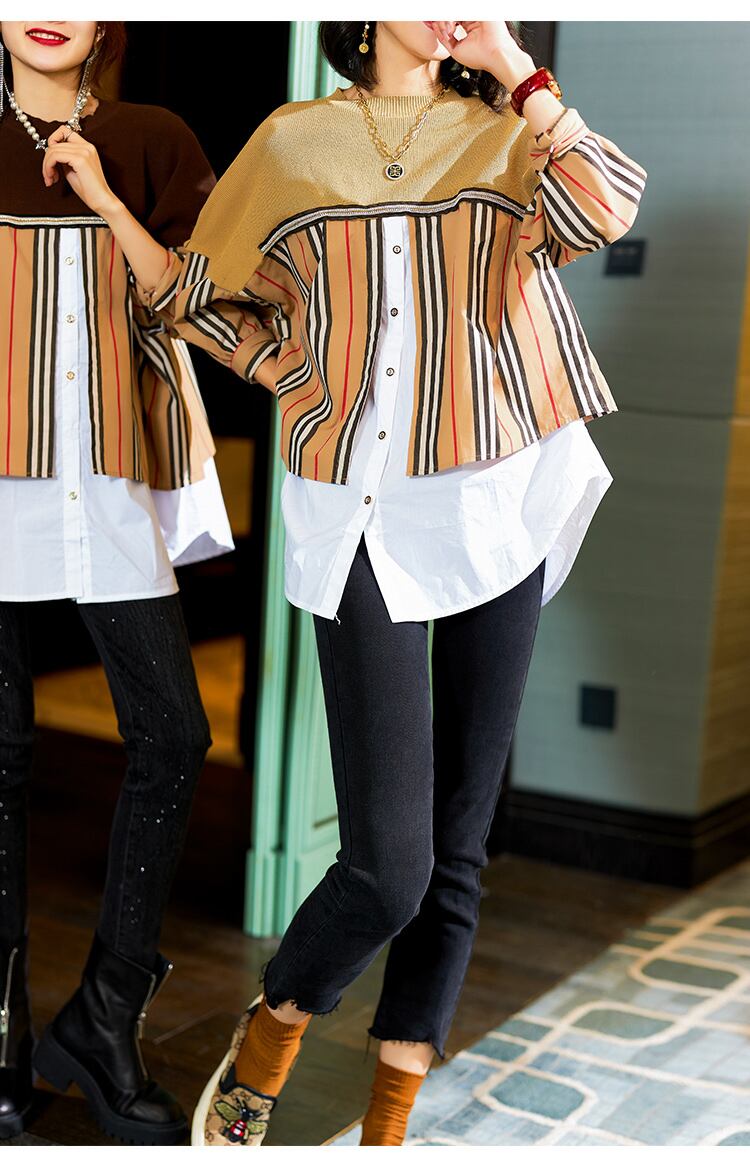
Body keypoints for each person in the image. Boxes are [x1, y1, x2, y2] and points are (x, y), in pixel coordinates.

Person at [130, 20, 645, 1147]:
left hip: (501, 487)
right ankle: (277, 1020)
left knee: (459, 840)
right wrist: (301, 377)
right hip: (359, 501)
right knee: (389, 864)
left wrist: (518, 71)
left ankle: (388, 1129)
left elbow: (606, 210)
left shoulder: (509, 131)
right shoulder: (294, 143)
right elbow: (203, 294)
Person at [0, 20, 233, 1145]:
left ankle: (103, 1016)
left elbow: (209, 306)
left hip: (109, 473)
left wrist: (101, 196)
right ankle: (2, 1035)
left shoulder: (151, 139)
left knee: (173, 736)